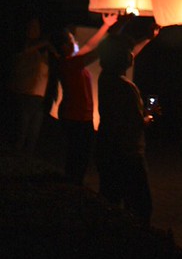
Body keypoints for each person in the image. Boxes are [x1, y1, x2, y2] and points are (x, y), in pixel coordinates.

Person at [95, 24, 159, 228]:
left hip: (107, 149)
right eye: (128, 53)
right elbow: (135, 123)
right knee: (141, 206)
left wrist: (147, 38)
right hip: (128, 153)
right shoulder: (125, 87)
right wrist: (149, 116)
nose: (132, 55)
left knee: (110, 201)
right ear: (122, 57)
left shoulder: (105, 79)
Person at [53, 13, 118, 185]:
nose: (74, 42)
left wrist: (106, 25)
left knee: (79, 157)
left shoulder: (72, 61)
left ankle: (72, 187)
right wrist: (115, 31)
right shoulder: (68, 63)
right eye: (70, 40)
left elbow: (90, 45)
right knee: (78, 157)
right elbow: (95, 52)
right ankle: (72, 189)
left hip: (81, 117)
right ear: (63, 46)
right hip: (75, 117)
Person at [9, 16, 55, 156]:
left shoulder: (43, 50)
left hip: (38, 95)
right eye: (32, 27)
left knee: (34, 128)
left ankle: (27, 157)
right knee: (22, 127)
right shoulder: (23, 45)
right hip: (24, 92)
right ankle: (15, 156)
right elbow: (24, 51)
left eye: (37, 27)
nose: (35, 30)